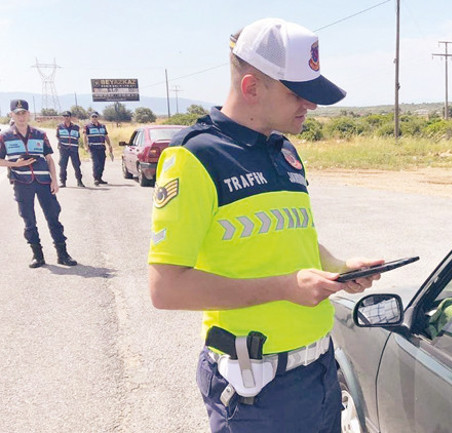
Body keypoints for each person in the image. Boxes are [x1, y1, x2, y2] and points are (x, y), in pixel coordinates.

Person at [148, 18, 382, 433]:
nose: (308, 106)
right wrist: (284, 288)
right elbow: (166, 289)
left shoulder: (284, 150)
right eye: (298, 94)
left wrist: (341, 267)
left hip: (319, 373)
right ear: (252, 87)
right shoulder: (195, 156)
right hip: (256, 390)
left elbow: (294, 238)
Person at [0, 99, 77, 268]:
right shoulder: (4, 136)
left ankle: (62, 254)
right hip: (22, 183)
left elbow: (49, 159)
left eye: (23, 113)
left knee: (53, 217)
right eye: (17, 113)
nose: (21, 116)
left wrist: (55, 180)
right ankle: (37, 255)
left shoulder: (39, 134)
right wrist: (15, 164)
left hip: (44, 182)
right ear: (11, 115)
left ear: (28, 114)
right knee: (29, 220)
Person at [82, 111, 112, 185]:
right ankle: (96, 179)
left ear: (98, 117)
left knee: (102, 164)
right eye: (93, 117)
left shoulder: (102, 126)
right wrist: (85, 146)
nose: (94, 118)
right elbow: (84, 137)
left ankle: (99, 178)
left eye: (96, 117)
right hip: (93, 148)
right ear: (90, 118)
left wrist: (109, 145)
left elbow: (106, 136)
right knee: (96, 163)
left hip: (101, 148)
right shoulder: (87, 126)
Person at [55, 111, 85, 188]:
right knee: (62, 165)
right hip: (63, 149)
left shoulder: (76, 127)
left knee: (76, 165)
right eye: (64, 116)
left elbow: (77, 137)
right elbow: (58, 136)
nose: (66, 117)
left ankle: (79, 181)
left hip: (73, 149)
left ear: (70, 117)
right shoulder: (59, 126)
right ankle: (63, 182)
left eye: (67, 116)